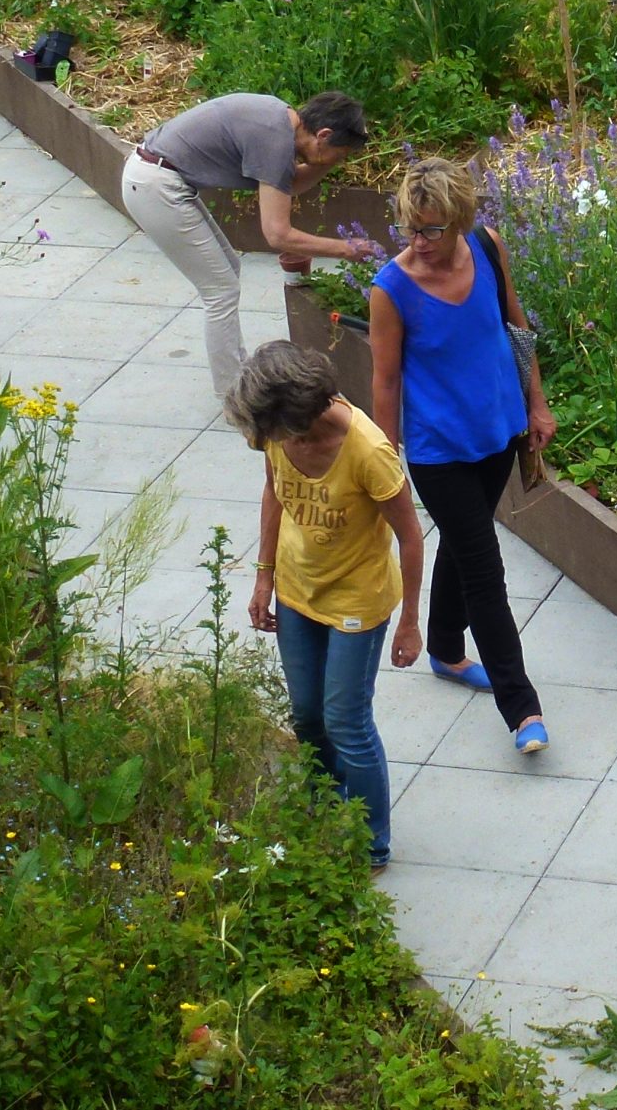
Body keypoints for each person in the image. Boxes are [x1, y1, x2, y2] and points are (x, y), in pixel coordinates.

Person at [368, 158, 556, 753]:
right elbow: (386, 382)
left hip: (497, 433)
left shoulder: (487, 246)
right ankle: (522, 709)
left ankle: (446, 651)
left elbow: (517, 328)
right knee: (484, 568)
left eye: (431, 230)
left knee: (461, 536)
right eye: (409, 229)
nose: (418, 243)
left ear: (460, 222)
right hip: (437, 451)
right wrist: (384, 455)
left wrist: (537, 406)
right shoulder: (390, 290)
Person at [227, 341, 425, 870]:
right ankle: (325, 811)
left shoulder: (368, 451)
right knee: (308, 716)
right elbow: (273, 491)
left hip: (357, 599)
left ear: (298, 414)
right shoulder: (275, 436)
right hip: (297, 589)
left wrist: (410, 623)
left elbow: (410, 536)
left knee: (346, 721)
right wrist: (263, 578)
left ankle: (371, 843)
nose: (262, 440)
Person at [120, 92, 382, 399]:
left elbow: (291, 184)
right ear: (323, 135)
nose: (342, 160)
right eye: (341, 153)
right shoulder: (275, 140)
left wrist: (325, 160)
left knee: (228, 271)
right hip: (155, 185)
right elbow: (277, 235)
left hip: (156, 176)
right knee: (221, 291)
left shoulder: (279, 121)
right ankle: (234, 395)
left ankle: (238, 376)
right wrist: (347, 249)